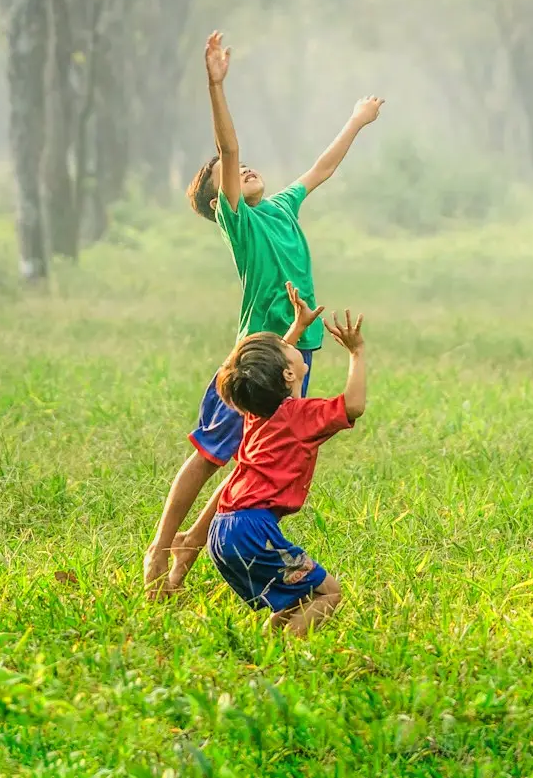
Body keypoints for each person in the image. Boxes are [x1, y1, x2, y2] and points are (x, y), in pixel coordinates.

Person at [141, 29, 383, 596]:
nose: (243, 168)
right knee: (209, 455)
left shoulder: (279, 207)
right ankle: (161, 550)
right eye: (227, 174)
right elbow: (227, 148)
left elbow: (321, 168)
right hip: (256, 356)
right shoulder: (240, 223)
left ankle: (183, 566)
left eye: (246, 166)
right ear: (216, 201)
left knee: (253, 464)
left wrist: (356, 120)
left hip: (299, 352)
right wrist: (215, 85)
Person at [201, 292, 368, 635]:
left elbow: (266, 373)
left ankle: (268, 645)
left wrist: (297, 327)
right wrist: (356, 353)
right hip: (252, 532)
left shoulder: (258, 410)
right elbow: (353, 405)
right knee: (329, 593)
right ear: (288, 374)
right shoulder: (299, 417)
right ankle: (286, 656)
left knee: (297, 598)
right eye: (286, 348)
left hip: (223, 530)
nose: (288, 344)